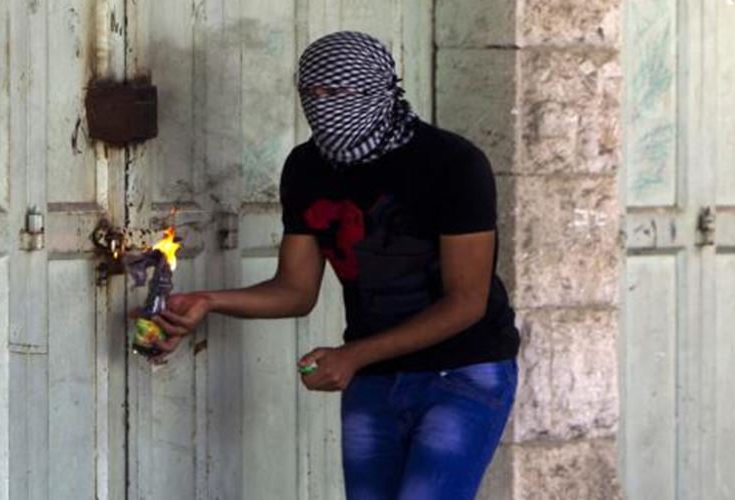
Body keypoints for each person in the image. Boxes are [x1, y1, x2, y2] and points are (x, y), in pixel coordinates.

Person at [147, 31, 521, 500]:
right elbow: (295, 289)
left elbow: (466, 302)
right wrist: (209, 301)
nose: (322, 106)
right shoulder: (308, 168)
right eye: (311, 93)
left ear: (378, 90)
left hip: (461, 372)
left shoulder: (452, 164)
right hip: (374, 379)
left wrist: (353, 356)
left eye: (337, 92)